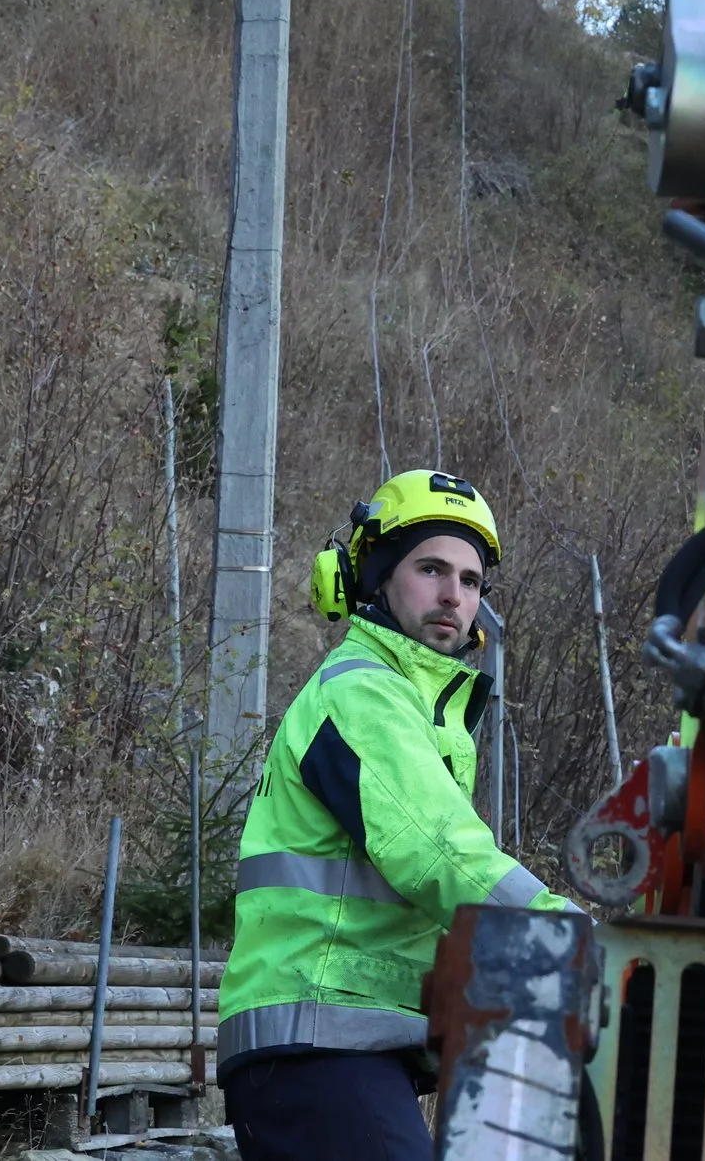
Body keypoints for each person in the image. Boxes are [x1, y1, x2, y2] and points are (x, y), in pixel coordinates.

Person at [218, 469, 578, 1161]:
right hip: (313, 1036)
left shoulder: (423, 711)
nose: (453, 595)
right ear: (377, 578)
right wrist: (571, 933)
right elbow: (438, 853)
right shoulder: (363, 695)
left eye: (471, 580)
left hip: (337, 1041)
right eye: (431, 568)